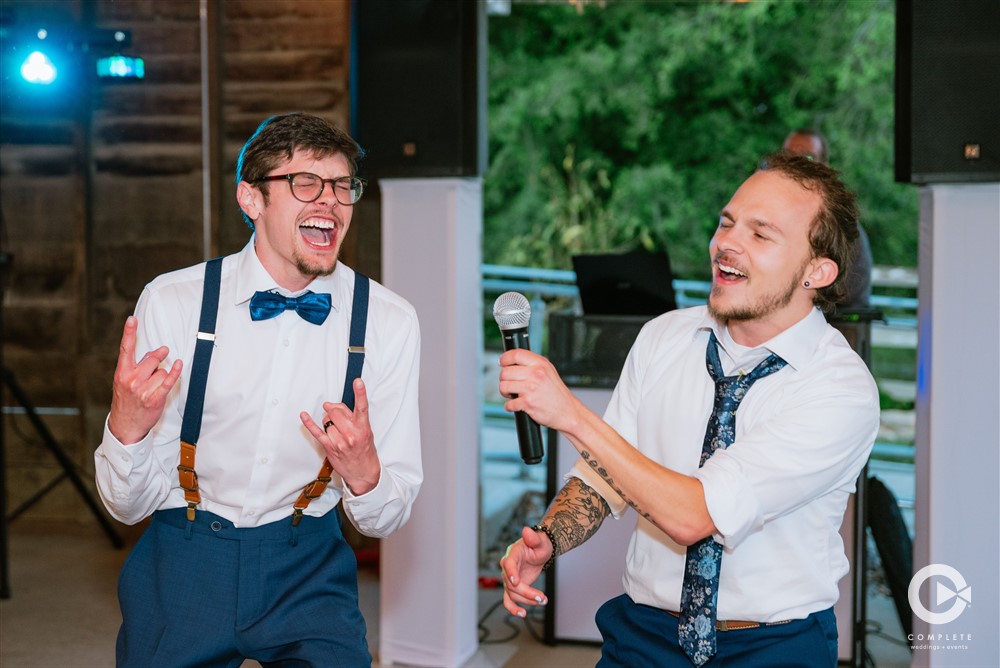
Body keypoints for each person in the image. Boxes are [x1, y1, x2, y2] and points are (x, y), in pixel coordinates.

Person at [498, 152, 879, 666]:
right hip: (642, 635)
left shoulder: (840, 388)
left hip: (774, 647)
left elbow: (695, 515)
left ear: (817, 270)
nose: (727, 243)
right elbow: (605, 476)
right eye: (726, 223)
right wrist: (548, 538)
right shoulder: (662, 337)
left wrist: (570, 413)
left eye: (760, 235)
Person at [94, 112, 422, 667]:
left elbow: (382, 519)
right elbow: (128, 508)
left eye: (343, 187)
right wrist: (125, 428)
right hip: (185, 557)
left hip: (309, 565)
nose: (331, 203)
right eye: (305, 184)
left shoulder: (389, 321)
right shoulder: (174, 302)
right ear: (251, 199)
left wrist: (365, 471)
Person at [782, 128, 873, 309]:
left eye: (807, 158)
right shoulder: (771, 209)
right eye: (789, 156)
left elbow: (850, 291)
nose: (796, 164)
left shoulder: (837, 220)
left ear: (824, 165)